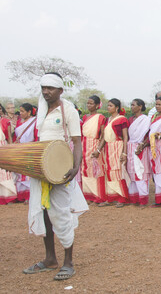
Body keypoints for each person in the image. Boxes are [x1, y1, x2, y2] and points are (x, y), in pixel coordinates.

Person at [23, 72, 88, 280]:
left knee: (61, 214)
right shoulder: (41, 110)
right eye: (43, 87)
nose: (45, 91)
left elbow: (77, 142)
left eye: (50, 88)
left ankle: (68, 262)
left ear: (60, 90)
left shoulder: (68, 110)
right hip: (41, 170)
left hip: (60, 171)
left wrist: (76, 167)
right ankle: (50, 259)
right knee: (43, 211)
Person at [94, 99, 129, 207]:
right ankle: (110, 197)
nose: (108, 107)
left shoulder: (122, 120)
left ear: (117, 107)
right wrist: (98, 150)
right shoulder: (108, 120)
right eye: (108, 105)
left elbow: (125, 137)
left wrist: (124, 153)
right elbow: (104, 137)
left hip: (117, 147)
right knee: (108, 172)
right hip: (108, 148)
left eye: (110, 106)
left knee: (117, 172)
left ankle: (121, 198)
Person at [81, 95, 106, 204]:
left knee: (95, 170)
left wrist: (99, 149)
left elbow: (104, 135)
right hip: (84, 144)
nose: (89, 105)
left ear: (97, 105)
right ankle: (88, 195)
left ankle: (98, 196)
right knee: (85, 170)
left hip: (94, 145)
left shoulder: (101, 117)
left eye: (91, 103)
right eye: (88, 103)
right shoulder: (85, 117)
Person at [128, 99, 152, 207]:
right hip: (130, 147)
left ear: (140, 106)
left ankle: (143, 199)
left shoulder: (146, 120)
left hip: (141, 148)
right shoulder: (130, 120)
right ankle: (134, 198)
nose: (131, 107)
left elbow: (149, 136)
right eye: (131, 105)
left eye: (133, 105)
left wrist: (143, 145)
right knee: (132, 172)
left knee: (141, 171)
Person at [14, 103, 38, 203]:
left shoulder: (34, 122)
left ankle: (30, 196)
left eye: (23, 111)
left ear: (29, 112)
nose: (21, 113)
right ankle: (22, 195)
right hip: (20, 150)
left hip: (30, 150)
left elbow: (36, 137)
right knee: (20, 173)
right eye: (20, 111)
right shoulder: (19, 122)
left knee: (29, 173)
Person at [0, 113, 17, 205]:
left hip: (3, 148)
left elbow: (9, 138)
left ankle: (8, 197)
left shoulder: (6, 122)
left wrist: (11, 150)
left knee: (5, 173)